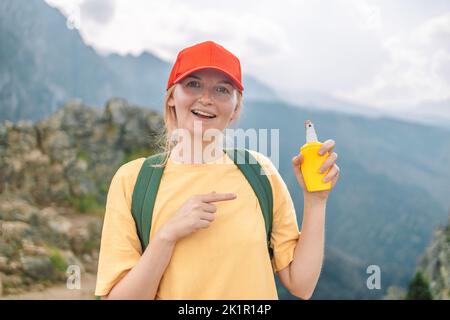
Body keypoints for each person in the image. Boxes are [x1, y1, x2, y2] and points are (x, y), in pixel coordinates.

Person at [94, 40, 340, 300]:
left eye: (222, 90)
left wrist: (315, 202)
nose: (206, 98)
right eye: (193, 84)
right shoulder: (132, 181)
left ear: (235, 108)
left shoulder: (258, 172)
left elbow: (301, 284)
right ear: (171, 98)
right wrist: (166, 236)